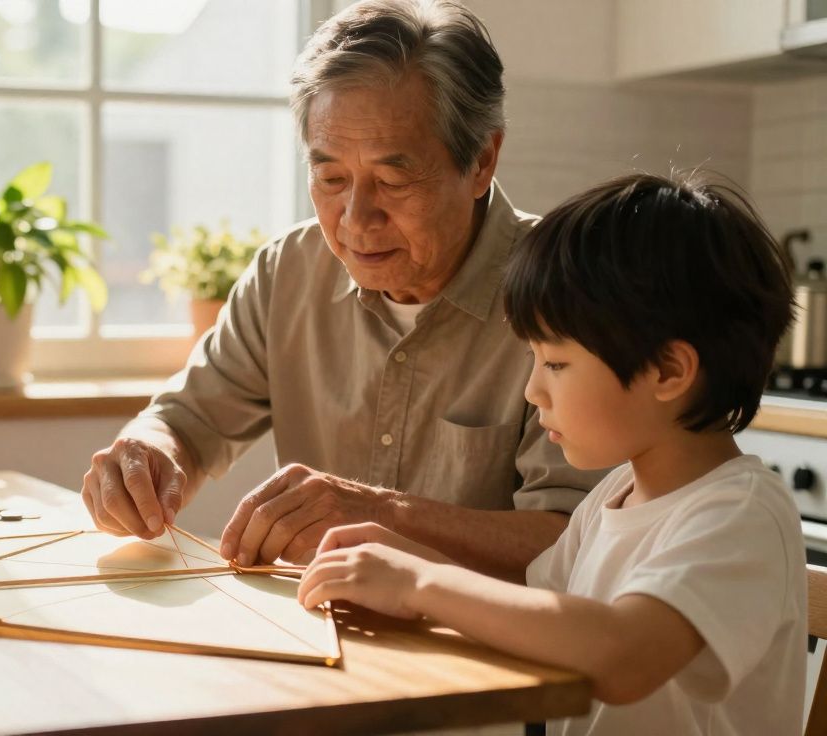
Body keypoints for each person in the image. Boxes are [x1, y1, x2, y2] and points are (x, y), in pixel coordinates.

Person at [82, 0, 603, 580]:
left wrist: (382, 514)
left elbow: (576, 537)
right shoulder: (289, 272)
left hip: (489, 648)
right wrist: (146, 452)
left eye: (392, 179)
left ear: (482, 161)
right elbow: (187, 421)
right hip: (317, 634)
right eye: (330, 178)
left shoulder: (570, 295)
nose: (356, 219)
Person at [298, 172, 805, 735]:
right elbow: (534, 607)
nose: (532, 390)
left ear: (668, 370)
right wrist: (406, 558)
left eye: (556, 364)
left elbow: (624, 656)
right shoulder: (617, 495)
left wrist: (418, 585)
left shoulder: (738, 514)